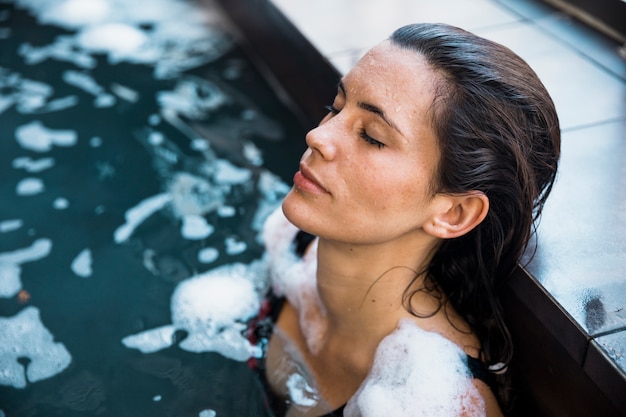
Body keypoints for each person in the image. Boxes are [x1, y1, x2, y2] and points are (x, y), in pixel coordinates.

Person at [258, 22, 560, 417]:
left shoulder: (439, 403)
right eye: (336, 106)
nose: (319, 136)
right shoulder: (293, 245)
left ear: (453, 213)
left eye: (371, 136)